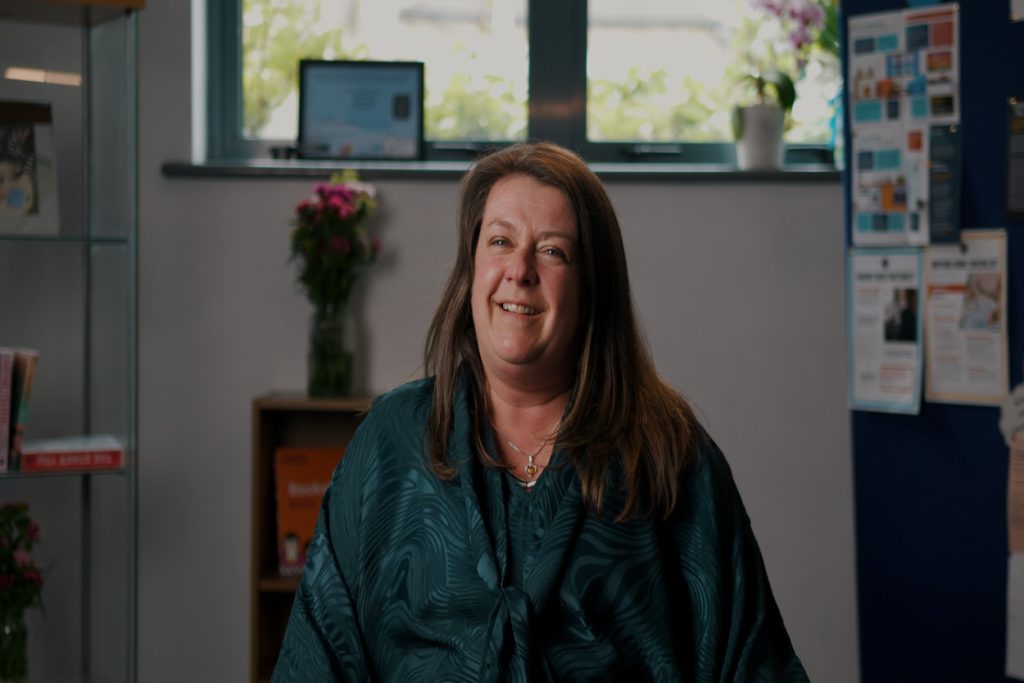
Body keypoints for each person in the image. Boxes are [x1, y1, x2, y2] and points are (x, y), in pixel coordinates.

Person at [272, 142, 809, 681]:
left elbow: (753, 664)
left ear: (592, 287)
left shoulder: (669, 455)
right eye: (500, 241)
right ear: (470, 269)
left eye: (552, 251)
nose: (520, 270)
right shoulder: (389, 444)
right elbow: (317, 656)